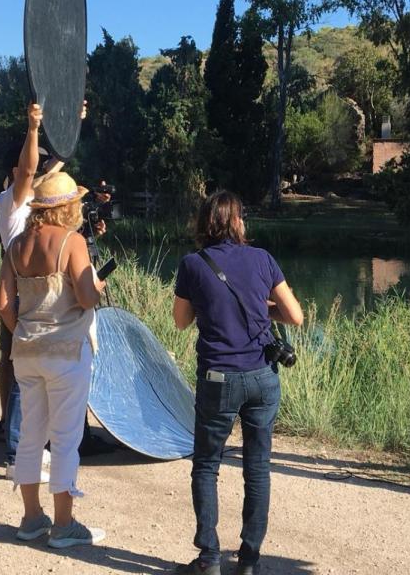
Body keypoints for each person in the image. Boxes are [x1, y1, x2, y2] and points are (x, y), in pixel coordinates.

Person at [172, 191, 304, 575]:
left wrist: (212, 305)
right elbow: (294, 316)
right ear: (237, 222)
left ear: (204, 223)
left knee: (207, 465)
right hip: (263, 376)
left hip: (218, 378)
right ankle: (248, 561)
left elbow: (181, 321)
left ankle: (210, 559)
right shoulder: (262, 259)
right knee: (258, 468)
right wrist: (260, 307)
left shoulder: (192, 264)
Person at [0, 167, 106, 548]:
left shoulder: (14, 246)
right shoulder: (71, 242)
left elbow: (4, 306)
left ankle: (30, 518)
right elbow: (87, 298)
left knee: (30, 436)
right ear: (67, 208)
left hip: (26, 351)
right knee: (64, 439)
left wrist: (25, 333)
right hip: (66, 351)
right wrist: (96, 286)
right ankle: (63, 525)